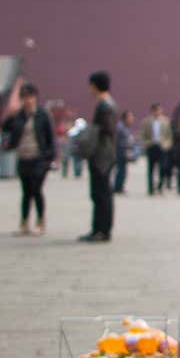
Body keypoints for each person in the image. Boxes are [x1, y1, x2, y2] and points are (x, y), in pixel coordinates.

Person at [0, 83, 55, 235]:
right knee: (26, 192)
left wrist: (51, 157)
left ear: (35, 97)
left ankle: (40, 221)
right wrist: (10, 114)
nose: (27, 100)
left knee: (36, 189)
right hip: (23, 158)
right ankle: (24, 223)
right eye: (24, 97)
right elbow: (5, 128)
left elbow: (50, 137)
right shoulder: (18, 116)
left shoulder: (42, 115)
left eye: (29, 97)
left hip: (39, 158)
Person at [80, 71, 117, 242]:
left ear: (94, 85)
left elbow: (106, 129)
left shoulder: (104, 105)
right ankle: (101, 228)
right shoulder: (108, 103)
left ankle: (101, 230)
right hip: (106, 153)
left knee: (100, 193)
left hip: (101, 154)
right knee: (102, 193)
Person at [141, 103, 170, 195]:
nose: (158, 112)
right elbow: (143, 135)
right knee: (151, 169)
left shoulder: (165, 121)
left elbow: (169, 136)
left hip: (162, 147)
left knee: (163, 168)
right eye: (156, 110)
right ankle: (150, 188)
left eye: (159, 110)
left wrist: (166, 145)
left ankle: (160, 186)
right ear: (152, 111)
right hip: (151, 147)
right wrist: (146, 144)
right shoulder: (146, 122)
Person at [113, 109, 135, 194]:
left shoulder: (126, 127)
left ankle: (119, 186)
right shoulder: (120, 127)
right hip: (120, 151)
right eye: (130, 117)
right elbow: (116, 141)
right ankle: (117, 187)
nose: (132, 118)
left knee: (123, 170)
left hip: (124, 151)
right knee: (120, 170)